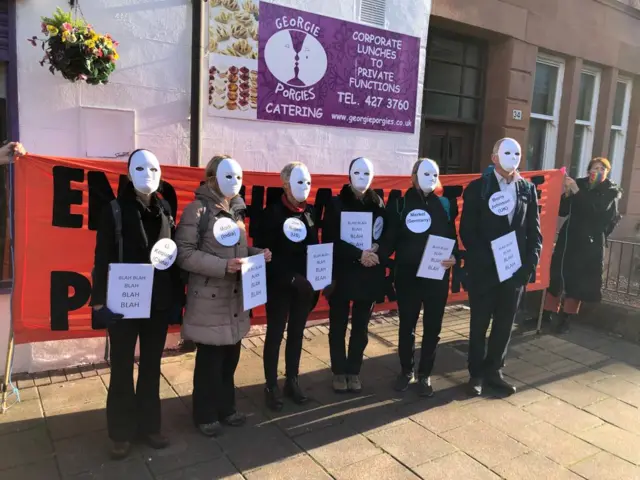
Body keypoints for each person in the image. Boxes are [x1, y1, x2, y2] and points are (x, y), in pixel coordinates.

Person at [91, 149, 182, 459]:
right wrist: (99, 301)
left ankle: (149, 426)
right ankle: (121, 432)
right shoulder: (114, 210)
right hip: (124, 300)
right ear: (129, 173)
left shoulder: (166, 208)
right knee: (120, 367)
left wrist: (175, 298)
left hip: (157, 300)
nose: (149, 173)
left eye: (155, 168)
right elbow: (101, 256)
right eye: (141, 168)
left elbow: (172, 256)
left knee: (152, 366)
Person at [175, 155, 271, 437]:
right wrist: (222, 267)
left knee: (230, 358)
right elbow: (184, 253)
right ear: (212, 178)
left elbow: (237, 253)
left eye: (239, 177)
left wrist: (257, 254)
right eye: (229, 176)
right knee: (209, 362)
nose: (235, 182)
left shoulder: (238, 213)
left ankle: (226, 408)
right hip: (210, 299)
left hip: (235, 299)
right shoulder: (197, 211)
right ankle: (204, 414)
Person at [460, 138, 542, 397]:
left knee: (504, 324)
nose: (513, 157)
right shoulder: (477, 188)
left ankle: (494, 370)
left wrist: (528, 267)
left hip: (514, 272)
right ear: (494, 157)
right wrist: (488, 259)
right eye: (507, 152)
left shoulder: (527, 189)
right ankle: (476, 374)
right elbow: (468, 231)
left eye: (517, 152)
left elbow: (534, 233)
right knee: (479, 323)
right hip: (485, 271)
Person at [387, 159, 457, 396]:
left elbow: (451, 237)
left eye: (434, 174)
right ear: (413, 176)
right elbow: (389, 238)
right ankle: (407, 370)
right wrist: (374, 253)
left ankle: (425, 374)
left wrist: (454, 257)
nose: (429, 178)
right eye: (425, 173)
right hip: (408, 276)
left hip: (436, 275)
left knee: (433, 328)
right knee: (407, 326)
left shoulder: (445, 205)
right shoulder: (400, 204)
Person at [323, 157, 391, 393]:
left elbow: (385, 234)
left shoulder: (378, 203)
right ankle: (339, 371)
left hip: (368, 272)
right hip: (343, 272)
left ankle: (354, 370)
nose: (363, 177)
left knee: (361, 326)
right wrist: (357, 254)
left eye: (367, 173)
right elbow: (330, 239)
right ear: (349, 174)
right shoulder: (335, 203)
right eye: (358, 172)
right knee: (338, 325)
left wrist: (377, 250)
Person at [259, 162, 319, 411]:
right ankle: (270, 386)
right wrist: (290, 278)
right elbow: (264, 254)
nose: (304, 187)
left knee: (296, 334)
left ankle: (291, 380)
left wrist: (317, 278)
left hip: (304, 288)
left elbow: (314, 249)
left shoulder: (310, 212)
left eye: (307, 182)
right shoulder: (271, 213)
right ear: (285, 184)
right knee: (275, 335)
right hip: (280, 285)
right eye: (299, 182)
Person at [543, 157, 622, 333]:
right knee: (557, 273)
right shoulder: (579, 184)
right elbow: (563, 210)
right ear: (588, 171)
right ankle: (547, 313)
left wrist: (577, 192)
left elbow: (596, 211)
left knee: (577, 280)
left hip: (589, 242)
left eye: (603, 168)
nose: (599, 171)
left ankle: (566, 318)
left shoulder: (610, 191)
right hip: (569, 237)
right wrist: (566, 194)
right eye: (595, 167)